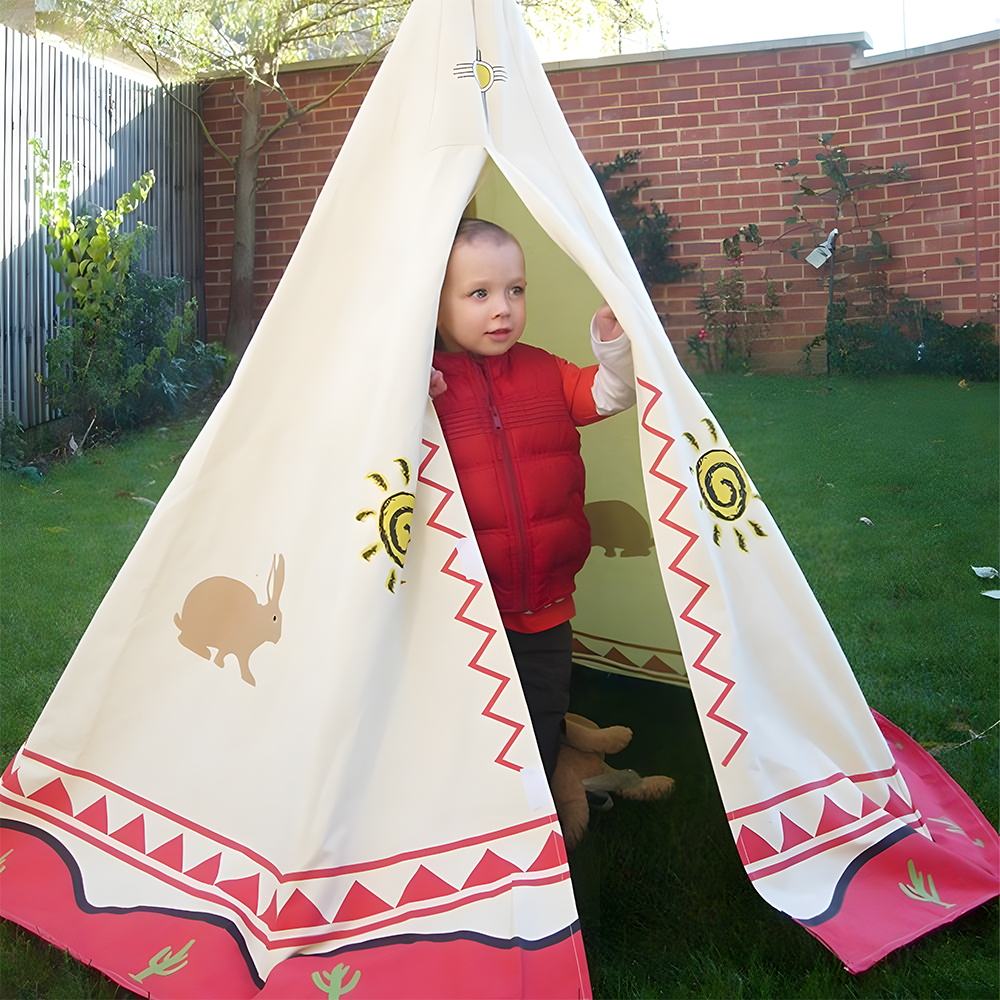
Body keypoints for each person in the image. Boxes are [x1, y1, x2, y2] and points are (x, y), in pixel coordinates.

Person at [430, 218, 635, 783]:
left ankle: (543, 813)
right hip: (466, 606)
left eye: (515, 290)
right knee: (472, 718)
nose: (503, 308)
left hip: (546, 603)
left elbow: (610, 393)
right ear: (435, 300)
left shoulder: (544, 371)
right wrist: (406, 399)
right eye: (480, 294)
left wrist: (612, 343)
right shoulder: (422, 386)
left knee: (541, 716)